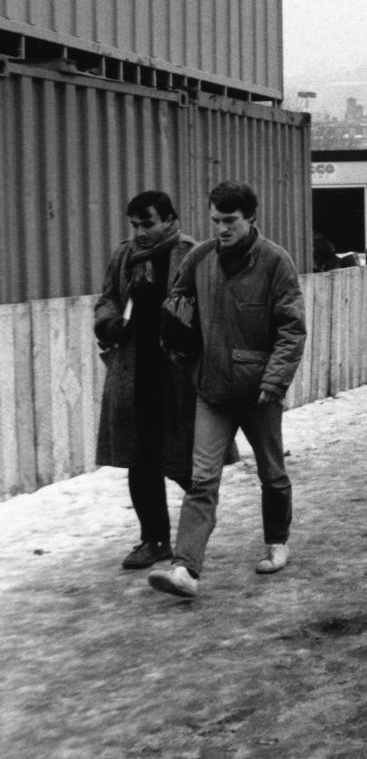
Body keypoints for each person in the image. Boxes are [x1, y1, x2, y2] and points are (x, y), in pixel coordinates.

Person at [148, 181, 307, 599]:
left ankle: (277, 542)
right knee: (202, 480)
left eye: (229, 220)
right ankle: (185, 568)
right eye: (215, 219)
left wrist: (274, 380)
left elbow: (292, 329)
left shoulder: (275, 262)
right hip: (212, 388)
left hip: (259, 392)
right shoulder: (200, 258)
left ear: (251, 218)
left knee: (271, 473)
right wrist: (178, 341)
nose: (220, 228)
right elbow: (176, 309)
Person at [94, 191, 222, 570]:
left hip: (178, 372)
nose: (141, 233)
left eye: (148, 224)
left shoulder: (194, 254)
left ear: (169, 219)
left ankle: (198, 524)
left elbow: (213, 306)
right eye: (135, 225)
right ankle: (154, 539)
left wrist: (189, 331)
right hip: (135, 372)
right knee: (140, 458)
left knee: (185, 460)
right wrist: (108, 322)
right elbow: (107, 298)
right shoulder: (125, 255)